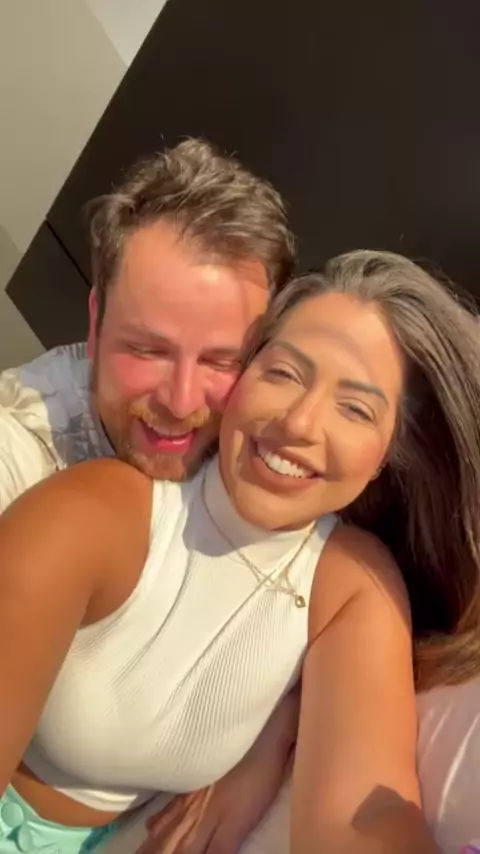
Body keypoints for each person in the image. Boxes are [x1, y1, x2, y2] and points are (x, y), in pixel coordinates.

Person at [2, 247, 469, 854]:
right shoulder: (96, 514)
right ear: (242, 378)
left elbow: (363, 814)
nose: (299, 423)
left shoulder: (351, 584)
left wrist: (286, 721)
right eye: (284, 374)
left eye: (355, 409)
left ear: (387, 453)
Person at [0, 137, 299, 849]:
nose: (181, 401)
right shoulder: (23, 444)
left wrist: (277, 732)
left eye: (223, 361)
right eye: (148, 349)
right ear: (95, 320)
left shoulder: (266, 453)